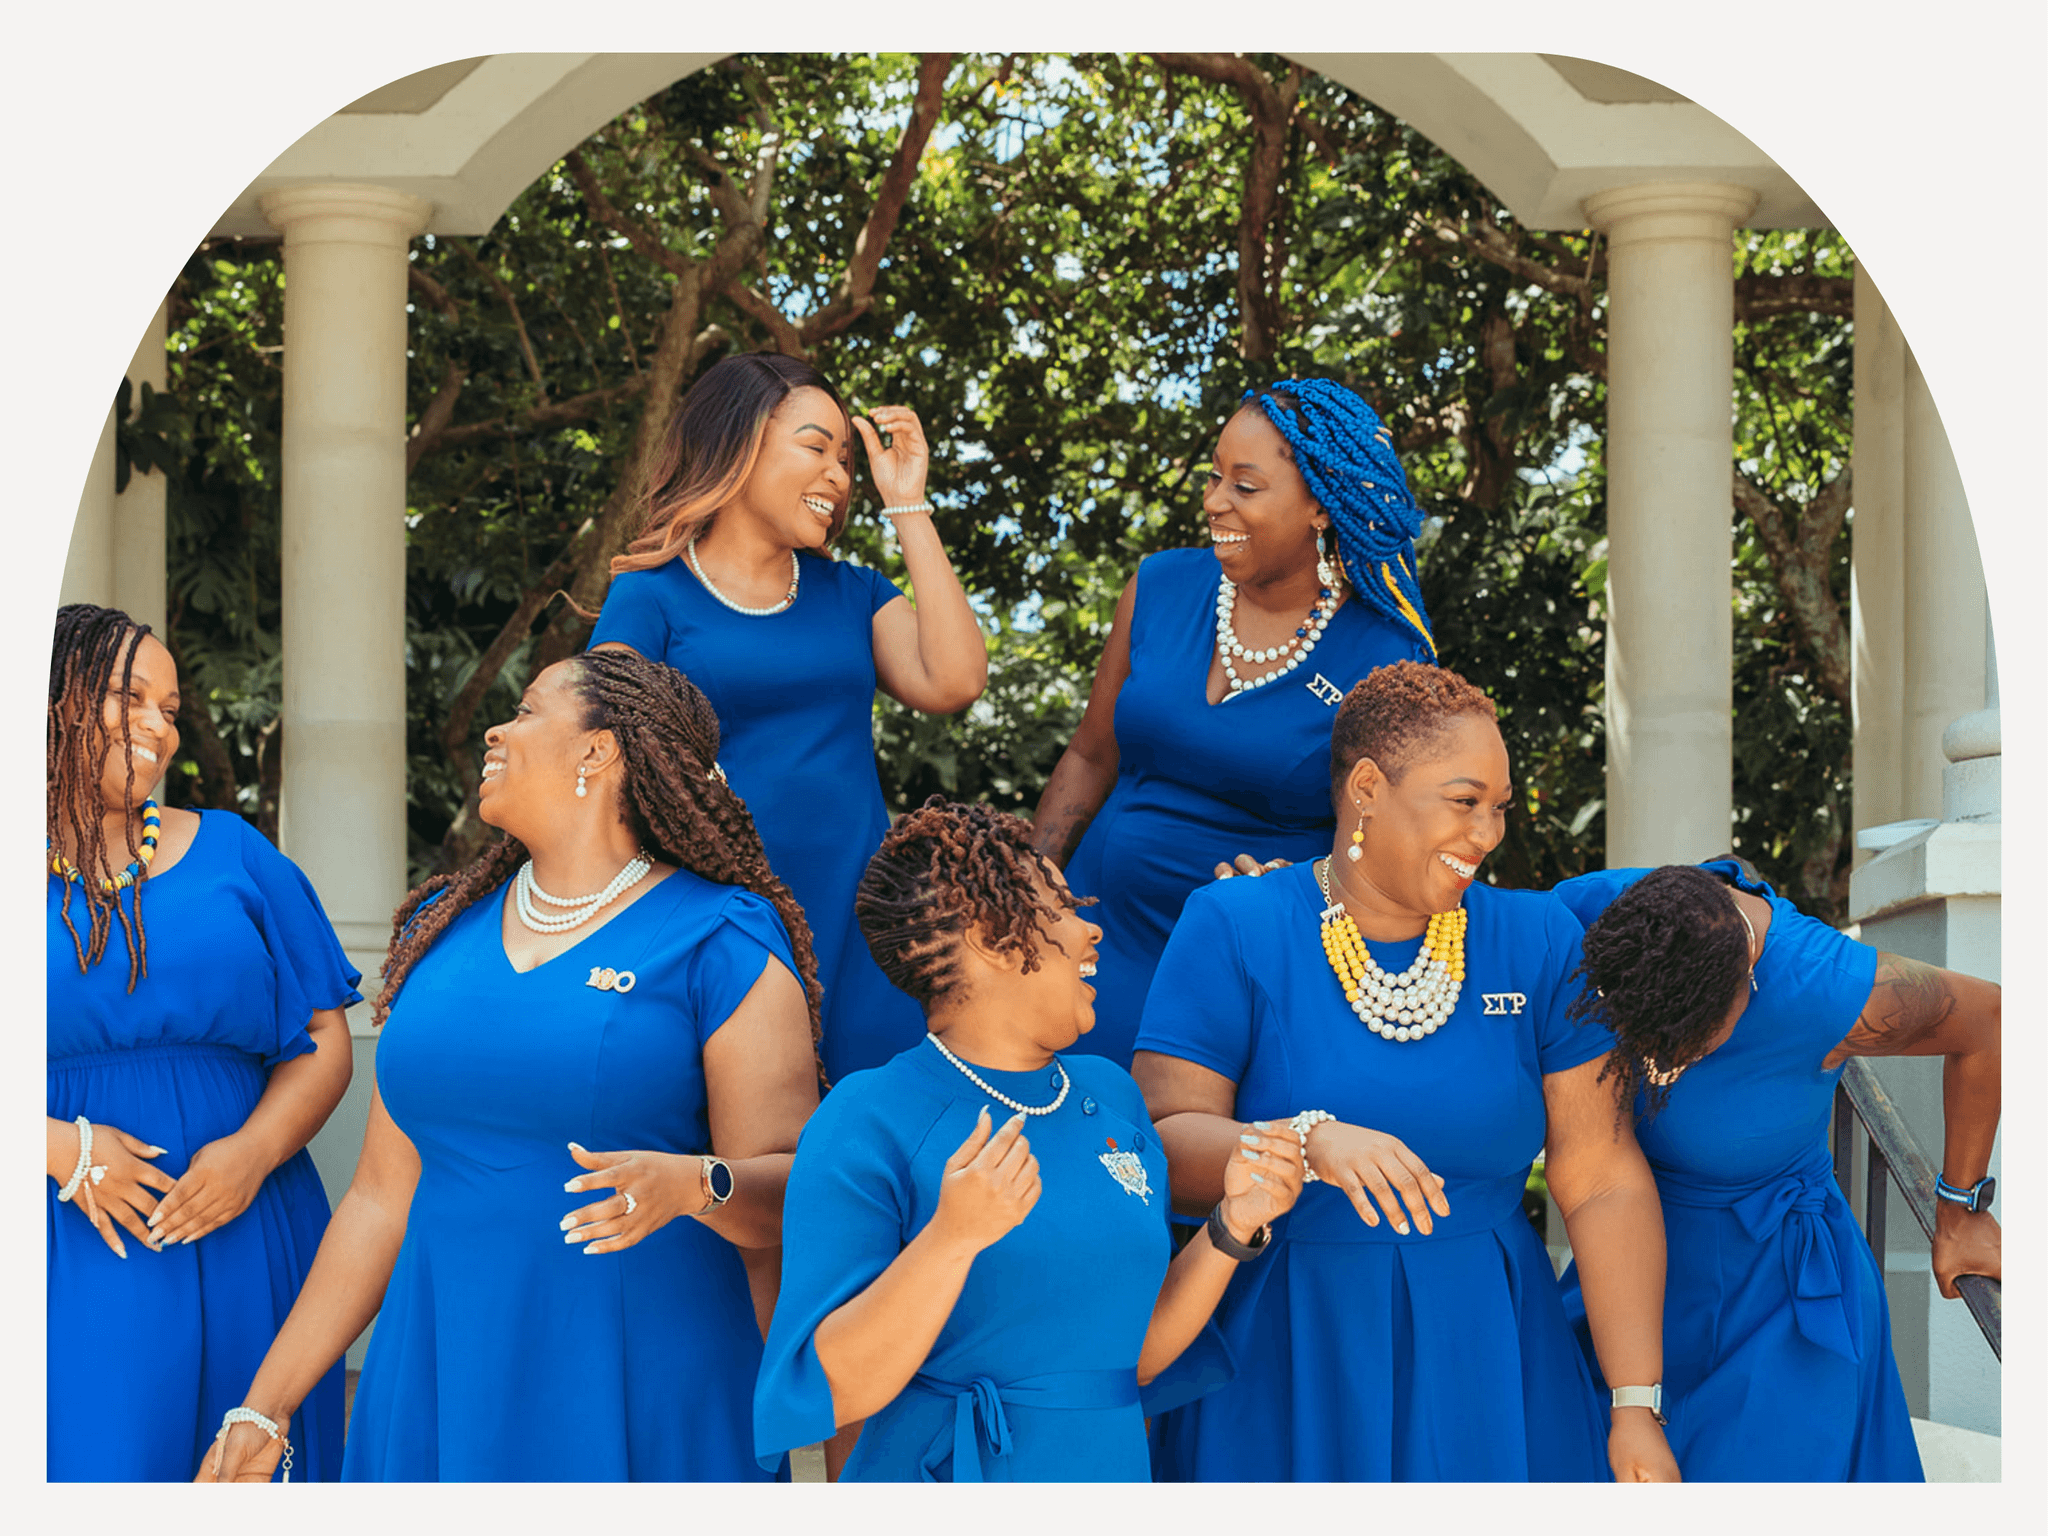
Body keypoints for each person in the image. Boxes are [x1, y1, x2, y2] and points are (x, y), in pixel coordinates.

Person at [198, 649, 822, 1482]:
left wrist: (693, 1183)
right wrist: (264, 1405)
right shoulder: (441, 928)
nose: (496, 726)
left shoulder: (720, 936)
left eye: (526, 711)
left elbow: (796, 1193)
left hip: (640, 1379)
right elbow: (381, 1197)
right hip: (437, 1374)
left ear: (599, 751)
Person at [1133, 660, 1681, 1481]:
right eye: (1464, 803)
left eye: (1498, 808)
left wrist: (1635, 1402)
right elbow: (1164, 1147)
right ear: (1365, 787)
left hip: (1491, 1343)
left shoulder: (1539, 940)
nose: (1487, 834)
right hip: (1288, 1340)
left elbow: (1600, 1175)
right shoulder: (1235, 925)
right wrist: (1304, 1142)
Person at [753, 799, 1306, 1482]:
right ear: (989, 937)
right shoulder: (866, 1117)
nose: (1089, 929)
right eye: (1063, 907)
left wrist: (1230, 1227)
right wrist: (952, 1239)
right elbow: (832, 1387)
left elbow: (1129, 1356)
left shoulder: (1113, 1096)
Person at [589, 350, 988, 1085]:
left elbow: (955, 678)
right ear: (738, 445)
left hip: (860, 917)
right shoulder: (651, 597)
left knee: (864, 1140)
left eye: (846, 459)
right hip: (717, 917)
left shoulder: (855, 593)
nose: (839, 475)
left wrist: (908, 503)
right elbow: (598, 758)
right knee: (737, 1144)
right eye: (815, 447)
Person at [1031, 377, 1440, 1067]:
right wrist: (1031, 879)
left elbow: (1393, 837)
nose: (1214, 501)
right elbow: (1092, 754)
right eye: (1216, 476)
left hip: (1254, 960)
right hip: (1098, 935)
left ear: (1319, 505)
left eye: (1244, 486)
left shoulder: (1384, 655)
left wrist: (1303, 879)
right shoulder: (1160, 587)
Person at [1555, 858, 2001, 1481]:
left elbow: (1989, 1022)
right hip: (1627, 1271)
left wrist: (1961, 1209)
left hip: (1779, 1303)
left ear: (1748, 984)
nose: (1657, 1059)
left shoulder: (1826, 984)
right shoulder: (1595, 913)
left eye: (1685, 1039)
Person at [46, 603, 356, 1482]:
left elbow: (323, 1040)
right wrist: (60, 1150)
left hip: (249, 1227)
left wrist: (253, 1156)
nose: (158, 728)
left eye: (171, 709)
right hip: (68, 1237)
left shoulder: (238, 854)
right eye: (129, 696)